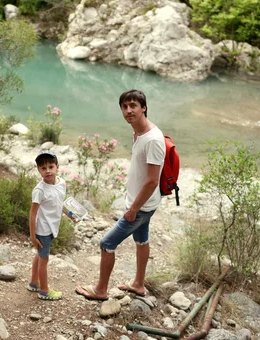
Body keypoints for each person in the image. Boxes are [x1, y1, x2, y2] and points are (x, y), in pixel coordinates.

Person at [76, 89, 165, 300]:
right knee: (141, 240)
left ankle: (100, 290)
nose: (128, 111)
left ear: (143, 107)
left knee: (107, 244)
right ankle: (138, 284)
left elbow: (153, 181)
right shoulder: (138, 133)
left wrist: (133, 209)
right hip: (145, 203)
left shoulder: (153, 139)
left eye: (133, 106)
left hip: (141, 206)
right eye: (124, 107)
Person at [28, 149, 67, 301]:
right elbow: (32, 213)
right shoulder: (39, 190)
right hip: (43, 229)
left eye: (50, 167)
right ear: (38, 170)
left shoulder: (61, 183)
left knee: (40, 255)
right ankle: (44, 290)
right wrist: (32, 236)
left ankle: (33, 282)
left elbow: (59, 202)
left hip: (52, 226)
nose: (48, 171)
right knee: (44, 259)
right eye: (43, 168)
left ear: (57, 166)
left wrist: (70, 214)